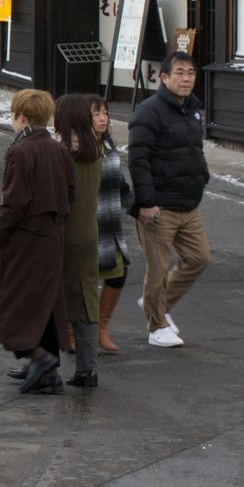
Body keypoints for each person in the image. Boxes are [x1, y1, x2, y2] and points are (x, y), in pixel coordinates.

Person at [0, 89, 75, 395]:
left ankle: (38, 357)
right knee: (44, 302)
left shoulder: (20, 151)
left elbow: (14, 202)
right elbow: (70, 193)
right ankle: (46, 371)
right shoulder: (59, 150)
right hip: (52, 237)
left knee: (8, 302)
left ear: (21, 117)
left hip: (24, 238)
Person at [128, 51, 210, 348]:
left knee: (199, 258)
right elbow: (138, 160)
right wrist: (146, 203)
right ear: (164, 78)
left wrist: (203, 177)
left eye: (190, 73)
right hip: (159, 206)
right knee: (158, 269)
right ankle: (156, 326)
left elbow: (193, 151)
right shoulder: (148, 111)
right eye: (179, 73)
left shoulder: (191, 110)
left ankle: (158, 305)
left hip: (189, 203)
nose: (186, 78)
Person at [53, 94, 105, 386]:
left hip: (66, 233)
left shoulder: (63, 153)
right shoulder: (94, 149)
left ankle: (45, 364)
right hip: (89, 232)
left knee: (52, 295)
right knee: (87, 298)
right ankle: (87, 369)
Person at [92, 96, 135, 352]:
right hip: (86, 226)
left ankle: (101, 327)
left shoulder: (108, 145)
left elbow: (119, 182)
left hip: (110, 224)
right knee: (79, 282)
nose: (103, 118)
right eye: (96, 113)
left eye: (105, 113)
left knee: (118, 273)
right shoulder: (75, 148)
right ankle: (72, 331)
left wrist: (135, 206)